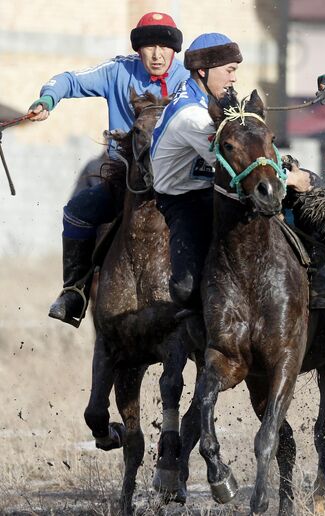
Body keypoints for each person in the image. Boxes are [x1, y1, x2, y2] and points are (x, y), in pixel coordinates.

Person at [33, 12, 188, 327]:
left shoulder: (187, 80)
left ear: (174, 50)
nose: (157, 54)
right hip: (125, 178)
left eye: (164, 46)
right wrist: (48, 99)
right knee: (77, 210)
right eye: (148, 46)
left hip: (175, 180)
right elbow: (69, 80)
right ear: (138, 49)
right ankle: (75, 290)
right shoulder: (117, 71)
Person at [150, 33, 313, 310]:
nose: (234, 79)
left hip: (210, 188)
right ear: (203, 71)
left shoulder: (204, 96)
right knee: (186, 288)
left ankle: (316, 277)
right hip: (185, 201)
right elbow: (237, 164)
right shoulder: (193, 116)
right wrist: (291, 178)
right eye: (229, 70)